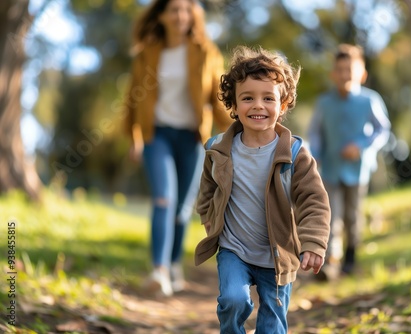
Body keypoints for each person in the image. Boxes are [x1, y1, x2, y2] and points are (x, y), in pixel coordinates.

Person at [194, 45, 331, 333]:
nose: (258, 105)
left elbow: (314, 201)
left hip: (278, 254)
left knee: (272, 325)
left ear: (282, 105)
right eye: (247, 98)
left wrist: (314, 242)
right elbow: (207, 187)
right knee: (233, 301)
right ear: (233, 104)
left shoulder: (294, 153)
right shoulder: (218, 149)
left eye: (268, 98)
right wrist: (208, 217)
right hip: (234, 248)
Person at [123, 0, 233, 297]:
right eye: (174, 9)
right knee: (163, 198)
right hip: (155, 136)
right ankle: (158, 270)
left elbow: (217, 97)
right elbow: (133, 98)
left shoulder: (205, 52)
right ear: (161, 15)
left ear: (193, 15)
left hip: (191, 138)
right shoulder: (147, 53)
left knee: (182, 210)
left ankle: (173, 265)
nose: (181, 15)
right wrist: (133, 136)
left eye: (187, 9)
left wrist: (240, 127)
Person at [308, 44, 391, 278]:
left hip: (358, 169)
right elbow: (315, 131)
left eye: (350, 70)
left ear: (362, 73)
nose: (345, 75)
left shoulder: (369, 101)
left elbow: (382, 130)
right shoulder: (324, 103)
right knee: (330, 215)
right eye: (340, 70)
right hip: (330, 168)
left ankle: (350, 257)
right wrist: (315, 152)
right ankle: (329, 263)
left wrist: (362, 146)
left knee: (353, 216)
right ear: (333, 73)